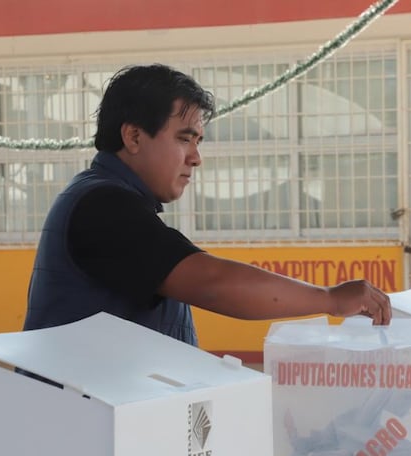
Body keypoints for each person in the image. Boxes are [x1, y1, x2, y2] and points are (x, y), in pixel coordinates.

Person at [24, 63, 391, 345]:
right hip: (86, 431)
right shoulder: (103, 208)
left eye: (198, 141)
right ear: (134, 136)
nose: (196, 157)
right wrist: (329, 299)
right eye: (185, 139)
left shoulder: (114, 202)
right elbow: (213, 282)